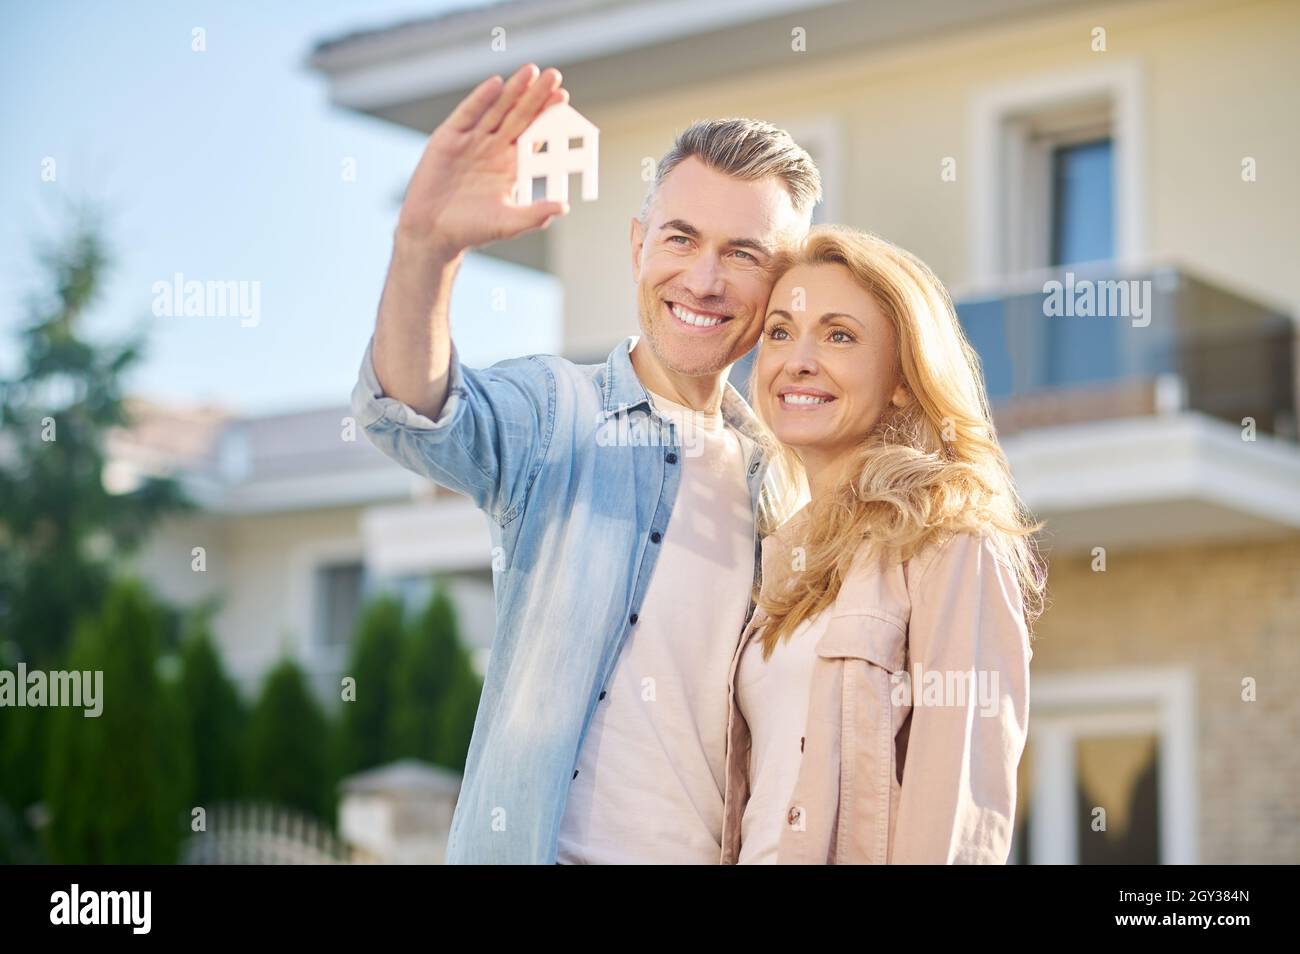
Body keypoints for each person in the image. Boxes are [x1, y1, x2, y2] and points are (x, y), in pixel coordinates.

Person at [351, 63, 821, 863]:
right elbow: (412, 416)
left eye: (743, 253)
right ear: (640, 247)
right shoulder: (553, 413)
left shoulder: (787, 484)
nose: (703, 280)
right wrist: (424, 251)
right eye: (681, 238)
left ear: (785, 284)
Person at [719, 226, 1045, 864]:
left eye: (839, 335)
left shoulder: (949, 544)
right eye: (780, 332)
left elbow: (955, 816)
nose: (797, 360)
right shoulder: (777, 558)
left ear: (901, 378)